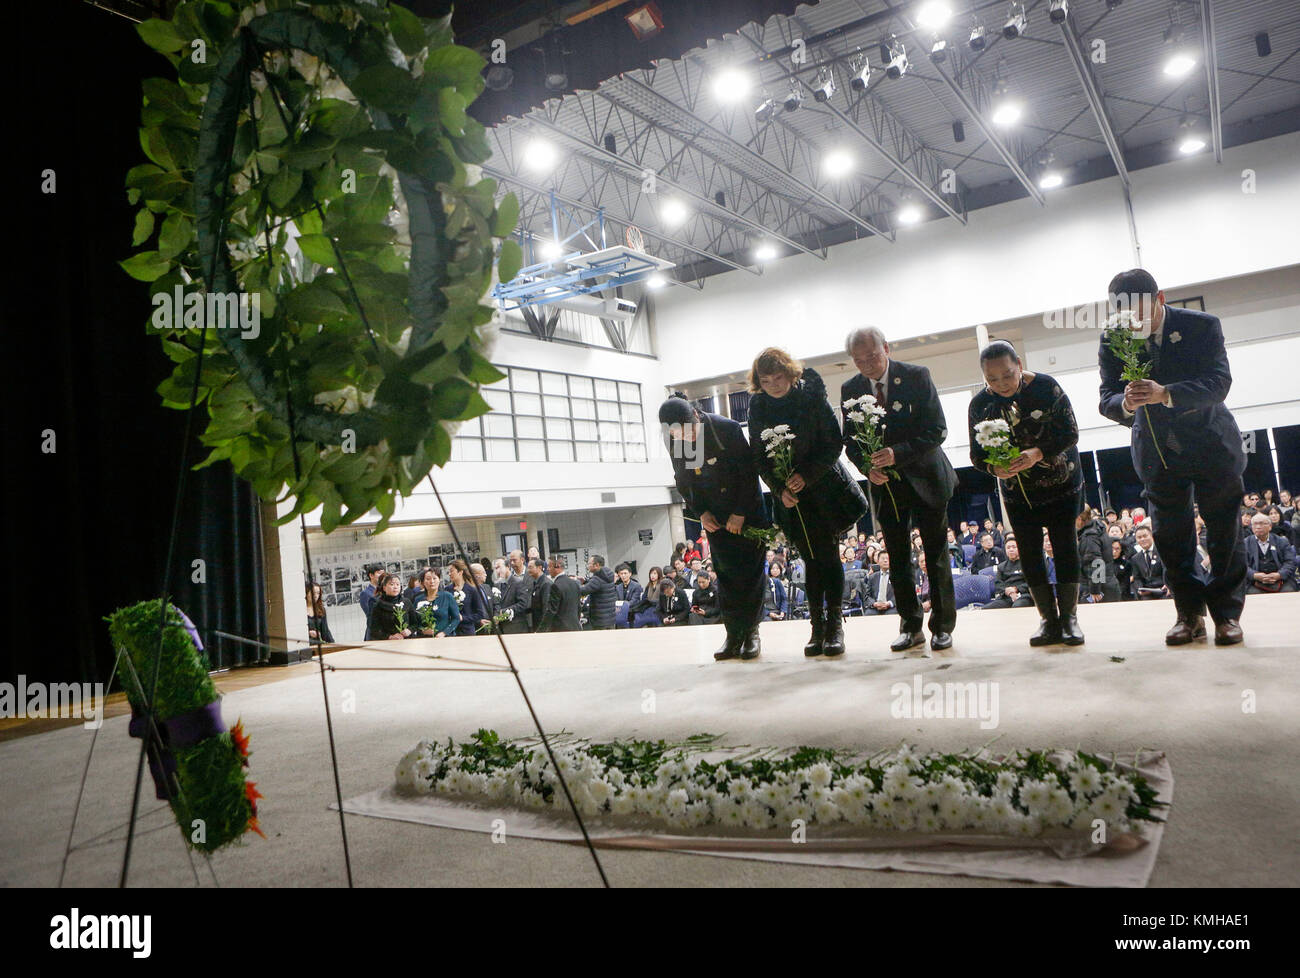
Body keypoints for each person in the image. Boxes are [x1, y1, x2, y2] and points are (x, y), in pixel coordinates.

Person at [1099, 268, 1247, 645]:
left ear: (1160, 299)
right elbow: (1106, 398)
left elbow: (1219, 383)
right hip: (1156, 450)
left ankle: (1227, 615)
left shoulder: (1202, 326)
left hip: (1211, 442)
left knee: (1223, 531)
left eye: (1140, 312)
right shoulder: (1113, 339)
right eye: (1124, 314)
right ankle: (1189, 614)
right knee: (1171, 536)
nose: (1132, 322)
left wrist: (1166, 392)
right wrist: (1126, 404)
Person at [841, 326, 958, 653]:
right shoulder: (850, 388)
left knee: (934, 556)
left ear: (887, 348)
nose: (868, 364)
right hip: (886, 487)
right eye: (859, 360)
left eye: (873, 356)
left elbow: (937, 429)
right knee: (897, 557)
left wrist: (898, 453)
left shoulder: (917, 376)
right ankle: (910, 626)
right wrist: (867, 467)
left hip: (927, 479)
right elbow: (849, 441)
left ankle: (942, 627)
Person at [748, 347, 868, 659]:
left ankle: (834, 626)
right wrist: (778, 488)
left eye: (778, 378)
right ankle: (817, 626)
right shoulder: (757, 404)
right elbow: (759, 457)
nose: (774, 385)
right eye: (766, 380)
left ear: (790, 373)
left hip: (822, 489)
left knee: (827, 556)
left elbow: (833, 443)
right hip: (789, 497)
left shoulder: (810, 394)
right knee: (809, 561)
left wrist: (806, 476)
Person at [969, 340, 1085, 643]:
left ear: (1019, 364)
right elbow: (976, 456)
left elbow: (1070, 432)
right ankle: (1048, 619)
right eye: (992, 379)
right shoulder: (980, 404)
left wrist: (1038, 453)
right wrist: (995, 469)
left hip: (1061, 486)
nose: (1001, 384)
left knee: (1064, 548)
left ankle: (1070, 618)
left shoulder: (1047, 387)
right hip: (1018, 494)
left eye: (1007, 375)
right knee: (1030, 555)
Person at [659, 395, 773, 661]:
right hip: (715, 516)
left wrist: (740, 513)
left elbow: (748, 474)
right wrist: (701, 512)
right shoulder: (675, 439)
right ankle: (733, 634)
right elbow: (684, 480)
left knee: (749, 574)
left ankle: (752, 633)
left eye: (686, 432)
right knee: (726, 574)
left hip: (746, 512)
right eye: (676, 434)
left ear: (696, 417)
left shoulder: (725, 429)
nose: (683, 439)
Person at [1245, 512, 1297, 593]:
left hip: (1280, 580)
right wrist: (1254, 575)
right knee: (1252, 595)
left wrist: (1279, 575)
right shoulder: (1245, 543)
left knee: (1288, 592)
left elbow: (1290, 562)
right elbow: (1241, 565)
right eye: (1255, 524)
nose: (1258, 527)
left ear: (1270, 527)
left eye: (1262, 524)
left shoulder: (1282, 541)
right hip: (1254, 581)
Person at [1077, 506, 1120, 605]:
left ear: (1079, 519)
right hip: (1108, 584)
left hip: (1099, 590)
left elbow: (1096, 562)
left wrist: (1095, 590)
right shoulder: (1098, 528)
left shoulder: (1090, 537)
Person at [981, 538, 1034, 609]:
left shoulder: (1028, 564)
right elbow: (998, 584)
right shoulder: (1001, 567)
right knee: (986, 609)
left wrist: (1016, 589)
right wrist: (1009, 592)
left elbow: (1031, 583)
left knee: (1017, 607)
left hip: (1024, 595)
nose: (1011, 550)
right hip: (1007, 597)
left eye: (1014, 547)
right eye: (1008, 548)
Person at [410, 567, 460, 638]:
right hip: (424, 639)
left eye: (434, 578)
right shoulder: (418, 600)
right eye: (428, 579)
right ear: (423, 582)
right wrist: (423, 630)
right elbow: (414, 622)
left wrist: (444, 632)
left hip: (444, 638)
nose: (432, 581)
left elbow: (456, 618)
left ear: (439, 580)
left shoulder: (447, 596)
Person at [537, 557, 581, 632]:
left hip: (561, 630)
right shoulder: (575, 583)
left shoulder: (555, 586)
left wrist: (540, 631)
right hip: (575, 627)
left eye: (549, 566)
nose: (547, 569)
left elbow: (551, 611)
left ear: (557, 567)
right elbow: (578, 607)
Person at [447, 559, 489, 636]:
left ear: (460, 572)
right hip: (451, 631)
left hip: (467, 631)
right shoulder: (447, 590)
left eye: (451, 571)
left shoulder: (472, 590)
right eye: (448, 572)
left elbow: (479, 614)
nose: (449, 574)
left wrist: (463, 618)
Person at [367, 572, 414, 641]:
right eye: (392, 584)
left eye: (398, 584)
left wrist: (410, 630)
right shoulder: (378, 604)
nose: (395, 587)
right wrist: (390, 637)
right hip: (387, 643)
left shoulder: (406, 602)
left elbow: (415, 623)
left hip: (407, 640)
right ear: (384, 587)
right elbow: (374, 629)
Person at [1129, 525, 1169, 600]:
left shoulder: (1162, 552)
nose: (1142, 539)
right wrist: (1140, 588)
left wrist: (1167, 584)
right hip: (1147, 593)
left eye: (1145, 536)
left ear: (1151, 536)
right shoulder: (1135, 558)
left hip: (1164, 591)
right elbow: (1137, 577)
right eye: (1139, 537)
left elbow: (1166, 570)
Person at [578, 554, 617, 630]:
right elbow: (598, 586)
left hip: (600, 620)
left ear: (596, 565)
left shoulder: (597, 579)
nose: (587, 566)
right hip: (610, 619)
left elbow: (582, 591)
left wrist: (577, 582)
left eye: (589, 564)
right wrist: (586, 581)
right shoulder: (607, 574)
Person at [497, 550, 532, 634]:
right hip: (511, 622)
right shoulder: (507, 578)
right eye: (510, 561)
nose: (512, 563)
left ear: (522, 560)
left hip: (528, 618)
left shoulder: (531, 575)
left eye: (514, 560)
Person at [860, 551, 896, 616]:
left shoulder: (897, 576)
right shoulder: (872, 577)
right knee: (868, 614)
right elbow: (867, 596)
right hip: (875, 607)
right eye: (883, 558)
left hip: (891, 607)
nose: (885, 560)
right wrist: (874, 603)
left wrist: (889, 603)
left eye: (887, 559)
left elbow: (900, 594)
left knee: (891, 614)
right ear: (878, 561)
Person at [613, 563, 643, 628]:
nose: (623, 575)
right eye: (621, 574)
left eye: (625, 573)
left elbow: (634, 601)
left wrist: (623, 607)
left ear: (630, 574)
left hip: (632, 613)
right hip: (620, 613)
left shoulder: (636, 586)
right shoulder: (618, 587)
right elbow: (616, 601)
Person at [525, 558, 551, 631]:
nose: (528, 570)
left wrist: (543, 628)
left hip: (542, 627)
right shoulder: (535, 583)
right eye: (527, 568)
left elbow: (546, 607)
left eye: (530, 567)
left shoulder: (546, 584)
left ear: (539, 567)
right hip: (536, 623)